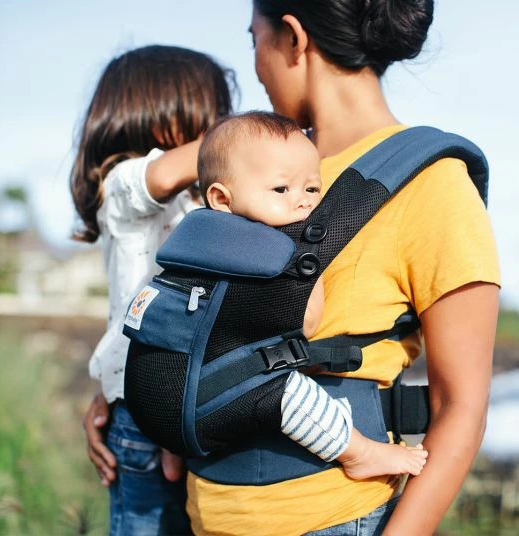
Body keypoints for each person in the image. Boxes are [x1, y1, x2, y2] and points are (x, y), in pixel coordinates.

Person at [182, 2, 501, 535]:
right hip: (205, 512)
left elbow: (461, 406)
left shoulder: (432, 182)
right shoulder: (249, 179)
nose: (255, 67)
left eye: (254, 40)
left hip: (333, 517)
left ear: (293, 38)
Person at [123, 110, 428, 480]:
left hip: (155, 403)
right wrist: (312, 265)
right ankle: (360, 453)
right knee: (288, 393)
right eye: (282, 189)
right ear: (221, 198)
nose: (302, 202)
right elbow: (308, 324)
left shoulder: (197, 241)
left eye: (312, 189)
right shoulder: (267, 252)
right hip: (196, 408)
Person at [70, 44, 236, 535]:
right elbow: (162, 174)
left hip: (191, 405)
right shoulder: (122, 186)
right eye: (215, 114)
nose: (222, 125)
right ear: (164, 115)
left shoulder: (202, 199)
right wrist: (250, 138)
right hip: (143, 415)